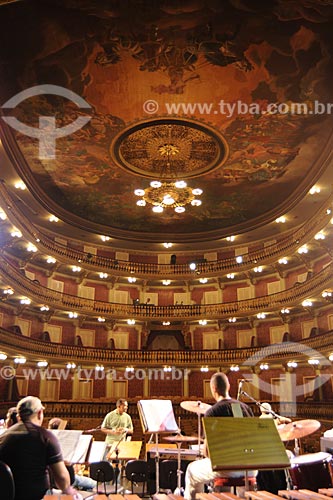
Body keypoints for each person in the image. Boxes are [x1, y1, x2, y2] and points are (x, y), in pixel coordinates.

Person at [184, 372, 256, 500]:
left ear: (213, 389)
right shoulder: (246, 408)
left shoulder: (212, 412)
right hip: (250, 467)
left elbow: (207, 452)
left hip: (226, 467)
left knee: (191, 470)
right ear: (228, 386)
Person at [0, 395, 81, 500]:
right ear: (39, 413)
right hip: (37, 496)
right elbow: (61, 477)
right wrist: (69, 490)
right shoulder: (45, 436)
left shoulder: (4, 436)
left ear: (18, 416)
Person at [47, 418, 97, 492]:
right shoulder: (63, 444)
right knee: (94, 484)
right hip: (63, 479)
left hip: (52, 480)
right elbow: (70, 478)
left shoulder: (45, 441)